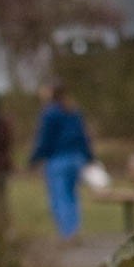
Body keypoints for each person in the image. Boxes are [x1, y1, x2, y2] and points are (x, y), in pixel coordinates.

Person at [29, 84, 93, 241]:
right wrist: (89, 157)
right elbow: (83, 137)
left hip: (58, 159)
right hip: (75, 159)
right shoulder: (73, 111)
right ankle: (74, 229)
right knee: (72, 195)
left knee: (59, 196)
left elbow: (45, 140)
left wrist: (35, 158)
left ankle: (67, 233)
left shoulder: (50, 114)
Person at [0, 96, 12, 241]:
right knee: (1, 198)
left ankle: (3, 229)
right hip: (2, 164)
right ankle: (4, 228)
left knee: (1, 198)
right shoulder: (4, 122)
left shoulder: (2, 123)